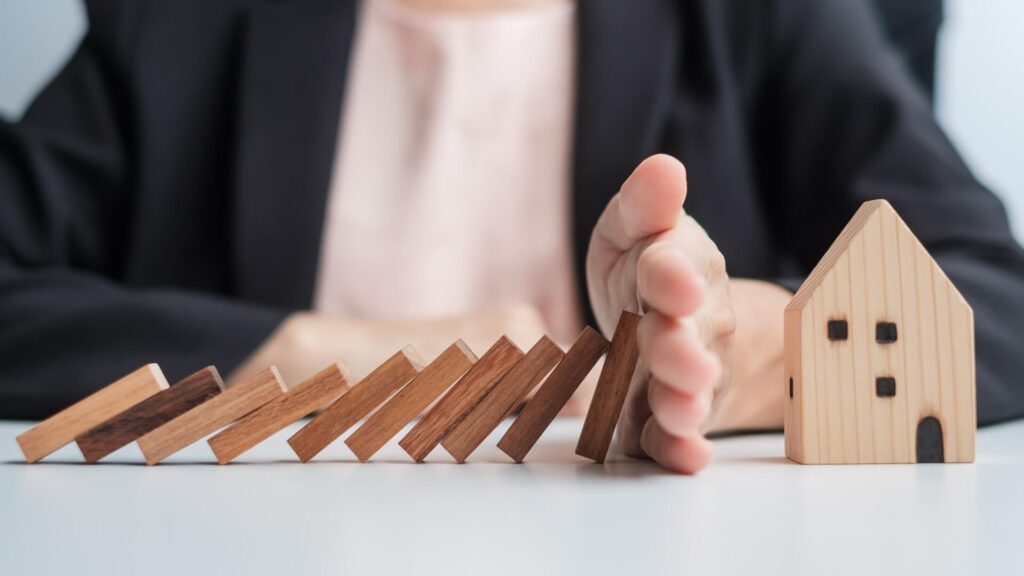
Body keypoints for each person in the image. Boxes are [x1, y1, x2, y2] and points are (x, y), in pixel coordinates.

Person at [1, 0, 1023, 474]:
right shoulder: (182, 22)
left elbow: (993, 296)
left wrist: (765, 359)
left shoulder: (761, 17)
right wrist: (316, 355)